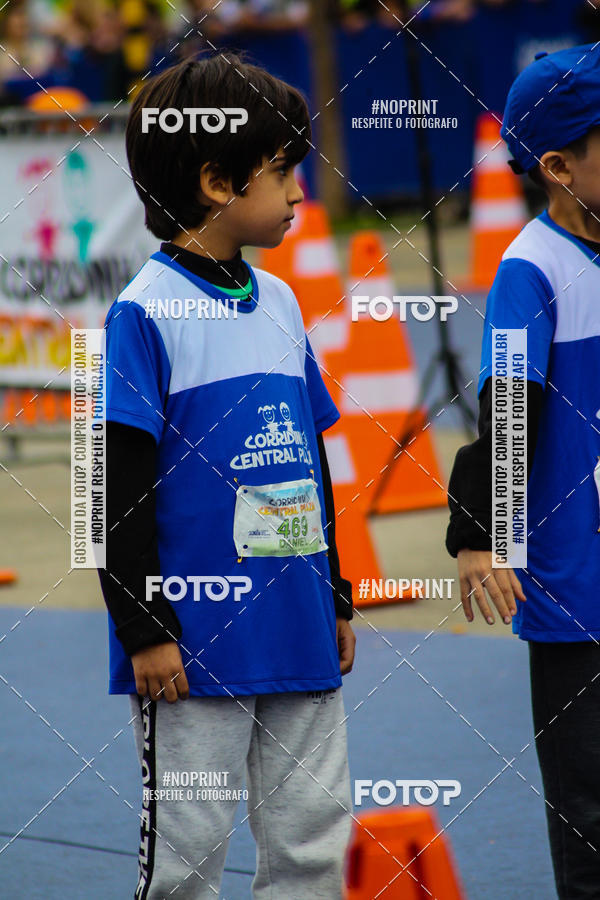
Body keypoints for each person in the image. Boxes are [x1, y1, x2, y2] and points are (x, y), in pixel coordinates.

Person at [97, 51, 355, 899]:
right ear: (216, 180)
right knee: (188, 851)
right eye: (282, 172)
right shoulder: (143, 312)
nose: (297, 193)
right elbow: (112, 486)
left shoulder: (280, 301)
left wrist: (338, 594)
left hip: (297, 630)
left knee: (315, 840)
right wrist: (144, 628)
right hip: (193, 651)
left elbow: (310, 464)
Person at [446, 44, 600, 898]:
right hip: (581, 599)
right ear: (559, 165)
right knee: (591, 810)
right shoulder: (531, 270)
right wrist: (481, 535)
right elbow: (508, 403)